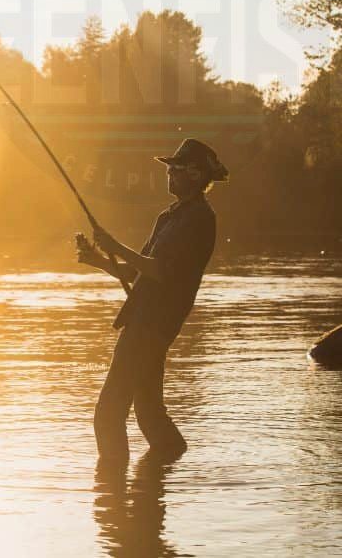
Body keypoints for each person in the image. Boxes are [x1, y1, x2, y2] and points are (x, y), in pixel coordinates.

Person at [76, 138, 228, 460]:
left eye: (176, 168)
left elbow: (161, 272)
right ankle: (162, 477)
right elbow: (137, 273)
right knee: (149, 414)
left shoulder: (200, 219)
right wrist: (99, 260)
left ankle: (111, 495)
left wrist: (116, 248)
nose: (169, 173)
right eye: (169, 168)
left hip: (153, 327)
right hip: (142, 321)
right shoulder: (168, 217)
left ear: (196, 175)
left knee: (108, 413)